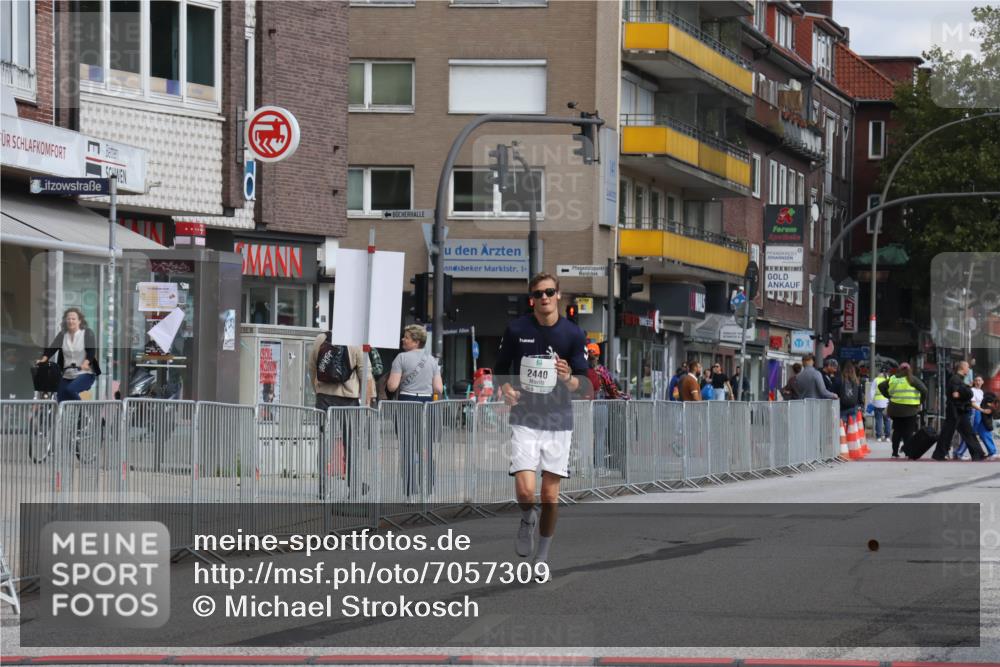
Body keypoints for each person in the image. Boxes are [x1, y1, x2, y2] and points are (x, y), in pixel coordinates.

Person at [495, 273, 588, 565]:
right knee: (525, 490)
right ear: (531, 299)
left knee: (549, 496)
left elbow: (585, 385)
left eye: (549, 292)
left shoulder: (573, 334)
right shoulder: (516, 329)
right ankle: (527, 518)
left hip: (558, 421)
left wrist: (568, 377)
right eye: (538, 293)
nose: (544, 297)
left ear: (558, 295)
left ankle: (543, 555)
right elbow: (500, 369)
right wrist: (507, 389)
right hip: (524, 417)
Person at [308, 333, 376, 495]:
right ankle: (353, 486)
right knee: (351, 443)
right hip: (348, 400)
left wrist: (317, 389)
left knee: (325, 442)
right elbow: (365, 374)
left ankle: (323, 488)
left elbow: (312, 367)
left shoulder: (321, 339)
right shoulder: (356, 342)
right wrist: (367, 403)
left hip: (324, 398)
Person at [38, 307, 102, 402]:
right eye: (68, 319)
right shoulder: (62, 335)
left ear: (79, 321)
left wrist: (86, 363)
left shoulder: (87, 333)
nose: (70, 321)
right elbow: (52, 348)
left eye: (73, 319)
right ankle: (62, 416)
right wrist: (43, 359)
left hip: (85, 374)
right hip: (67, 374)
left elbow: (91, 351)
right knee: (60, 396)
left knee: (70, 390)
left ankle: (84, 413)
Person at [932, 360, 986, 461]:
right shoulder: (955, 379)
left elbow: (959, 393)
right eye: (968, 367)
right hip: (955, 411)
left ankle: (978, 454)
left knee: (968, 432)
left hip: (961, 411)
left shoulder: (959, 379)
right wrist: (965, 392)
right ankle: (939, 454)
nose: (969, 369)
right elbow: (955, 395)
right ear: (962, 368)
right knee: (947, 432)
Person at [878, 363, 927, 458]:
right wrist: (920, 402)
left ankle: (894, 453)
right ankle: (908, 453)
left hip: (895, 409)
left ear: (899, 369)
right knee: (908, 432)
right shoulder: (912, 379)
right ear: (910, 369)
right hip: (910, 409)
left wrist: (888, 395)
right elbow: (924, 390)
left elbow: (881, 386)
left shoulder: (893, 378)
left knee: (897, 431)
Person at [956, 376, 998, 460]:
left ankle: (992, 452)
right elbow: (973, 403)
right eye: (976, 380)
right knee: (970, 434)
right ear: (974, 382)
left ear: (982, 382)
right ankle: (959, 453)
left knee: (984, 432)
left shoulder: (981, 392)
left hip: (981, 413)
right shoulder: (972, 390)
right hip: (975, 413)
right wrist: (982, 410)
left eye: (979, 380)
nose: (978, 382)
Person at [867, 367, 892, 442]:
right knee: (887, 420)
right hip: (887, 403)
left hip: (877, 403)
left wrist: (871, 402)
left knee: (878, 420)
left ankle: (879, 437)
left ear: (879, 372)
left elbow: (872, 392)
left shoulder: (876, 380)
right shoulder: (889, 379)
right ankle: (887, 436)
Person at [838, 361, 865, 426]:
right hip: (854, 407)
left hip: (842, 407)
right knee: (852, 427)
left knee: (842, 427)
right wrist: (861, 405)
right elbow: (860, 396)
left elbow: (835, 391)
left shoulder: (840, 380)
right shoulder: (856, 381)